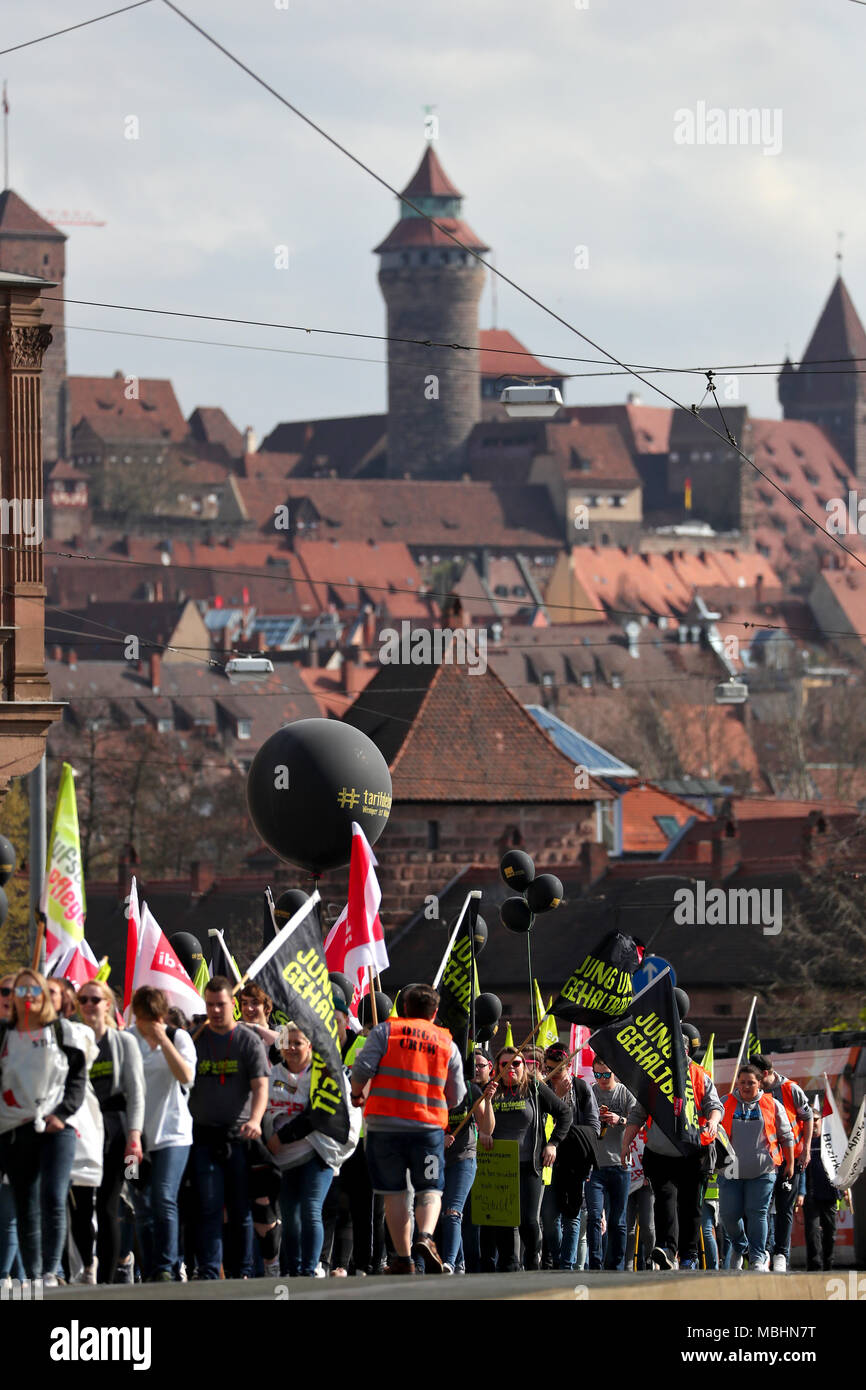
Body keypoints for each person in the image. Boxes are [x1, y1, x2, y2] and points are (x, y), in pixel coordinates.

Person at [351, 982, 465, 1275]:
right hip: (426, 1128)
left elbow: (362, 1069)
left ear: (402, 1008)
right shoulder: (445, 1042)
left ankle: (403, 1258)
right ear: (435, 1012)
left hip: (384, 1128)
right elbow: (458, 1094)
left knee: (394, 1192)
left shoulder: (385, 1032)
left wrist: (356, 1093)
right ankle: (425, 1236)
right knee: (430, 1187)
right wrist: (443, 1102)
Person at [0, 969, 87, 1284]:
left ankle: (51, 1270)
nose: (26, 998)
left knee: (52, 1195)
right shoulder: (4, 1035)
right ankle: (33, 1274)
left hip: (56, 1127)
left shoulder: (62, 1032)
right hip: (14, 1129)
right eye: (18, 992)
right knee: (25, 1203)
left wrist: (62, 1114)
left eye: (32, 991)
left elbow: (78, 1079)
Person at [189, 976, 269, 1279]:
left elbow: (260, 1086)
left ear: (232, 1004)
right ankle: (209, 1270)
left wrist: (255, 1120)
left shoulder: (247, 1040)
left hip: (238, 1137)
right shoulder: (196, 1038)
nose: (216, 1011)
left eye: (221, 1005)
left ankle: (242, 1272)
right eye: (210, 1005)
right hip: (204, 1135)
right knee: (208, 1205)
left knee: (240, 1208)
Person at [622, 1036, 722, 1271]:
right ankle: (667, 1249)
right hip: (659, 1153)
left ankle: (688, 1254)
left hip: (692, 1154)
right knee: (664, 1201)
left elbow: (714, 1105)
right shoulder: (653, 1077)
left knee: (690, 1207)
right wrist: (626, 1142)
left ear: (686, 1051)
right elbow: (638, 1113)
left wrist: (714, 1122)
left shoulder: (699, 1075)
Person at [264, 1023, 357, 1276]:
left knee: (310, 1209)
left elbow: (320, 1114)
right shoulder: (272, 1074)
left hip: (318, 1153)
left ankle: (307, 1270)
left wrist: (282, 1136)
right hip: (283, 1158)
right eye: (288, 1043)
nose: (293, 1048)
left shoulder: (325, 1073)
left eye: (299, 1043)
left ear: (310, 1045)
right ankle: (293, 1271)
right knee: (290, 1218)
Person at [69, 979, 144, 1284]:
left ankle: (111, 1280)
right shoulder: (73, 1042)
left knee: (112, 1203)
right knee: (81, 1206)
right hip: (83, 1132)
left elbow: (136, 1092)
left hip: (117, 1132)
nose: (88, 1005)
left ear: (107, 1005)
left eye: (94, 1000)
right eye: (83, 1000)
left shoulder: (124, 1043)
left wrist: (135, 1137)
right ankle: (88, 1264)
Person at [128, 985, 196, 1281]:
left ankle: (167, 1266)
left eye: (155, 1017)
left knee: (164, 1197)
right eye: (144, 1017)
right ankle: (151, 1268)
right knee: (139, 1204)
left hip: (173, 1134)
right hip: (133, 1140)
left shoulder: (178, 1037)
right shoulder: (126, 1040)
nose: (149, 1024)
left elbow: (187, 1077)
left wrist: (163, 1041)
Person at [483, 1045, 571, 1272]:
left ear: (524, 1066)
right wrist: (484, 1125)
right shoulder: (491, 1090)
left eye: (516, 1063)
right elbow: (479, 1125)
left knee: (529, 1220)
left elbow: (564, 1113)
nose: (511, 1068)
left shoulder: (534, 1088)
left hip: (530, 1166)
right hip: (500, 1165)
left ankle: (533, 1260)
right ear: (497, 1067)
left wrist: (553, 1143)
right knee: (504, 1220)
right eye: (505, 1064)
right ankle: (509, 1266)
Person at [717, 1062, 794, 1271]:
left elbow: (787, 1136)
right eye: (742, 1082)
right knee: (728, 1215)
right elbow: (714, 1132)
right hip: (730, 1171)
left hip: (763, 1171)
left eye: (751, 1082)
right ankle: (740, 1247)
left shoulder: (772, 1104)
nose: (746, 1086)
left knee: (757, 1213)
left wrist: (791, 1163)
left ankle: (758, 1257)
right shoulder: (725, 1102)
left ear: (760, 1083)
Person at [541, 1043, 599, 1270]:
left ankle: (566, 1264)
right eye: (548, 1069)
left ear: (568, 1066)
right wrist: (557, 1097)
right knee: (549, 1215)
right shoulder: (544, 1088)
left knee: (572, 1214)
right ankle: (557, 1257)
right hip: (548, 1160)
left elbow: (593, 1126)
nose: (552, 1074)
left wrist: (574, 1137)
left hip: (575, 1161)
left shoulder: (582, 1088)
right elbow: (540, 1120)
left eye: (557, 1070)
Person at [754, 1053, 813, 1272]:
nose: (753, 1081)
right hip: (766, 1161)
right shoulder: (755, 1092)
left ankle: (781, 1254)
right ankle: (764, 1252)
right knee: (762, 1208)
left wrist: (806, 1149)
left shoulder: (790, 1089)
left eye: (757, 1077)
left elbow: (807, 1118)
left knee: (785, 1207)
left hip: (791, 1159)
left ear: (766, 1074)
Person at [440, 1046, 496, 1275]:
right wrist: (438, 1137)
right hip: (438, 1158)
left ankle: (449, 1263)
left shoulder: (471, 1091)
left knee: (453, 1211)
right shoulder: (431, 1090)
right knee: (444, 1212)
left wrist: (489, 1101)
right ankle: (460, 1263)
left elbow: (487, 1127)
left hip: (464, 1158)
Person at [586, 1060, 635, 1271]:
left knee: (617, 1220)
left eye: (606, 1075)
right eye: (598, 1075)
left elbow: (637, 1118)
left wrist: (619, 1119)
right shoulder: (589, 1092)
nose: (602, 1080)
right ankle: (595, 1264)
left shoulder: (624, 1093)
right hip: (595, 1165)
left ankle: (616, 1266)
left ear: (614, 1073)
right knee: (595, 1217)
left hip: (619, 1164)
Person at [802, 1105, 848, 1271]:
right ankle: (814, 1267)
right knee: (812, 1232)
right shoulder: (803, 1141)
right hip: (810, 1194)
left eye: (815, 1120)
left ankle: (828, 1265)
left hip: (829, 1194)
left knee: (830, 1233)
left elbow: (841, 1167)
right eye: (809, 1120)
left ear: (821, 1121)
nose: (812, 1123)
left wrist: (845, 1189)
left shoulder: (830, 1142)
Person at [239, 983, 280, 1052]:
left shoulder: (280, 1030)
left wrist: (256, 1027)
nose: (249, 1008)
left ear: (266, 1007)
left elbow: (282, 1043)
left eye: (255, 1003)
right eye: (245, 1003)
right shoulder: (237, 1036)